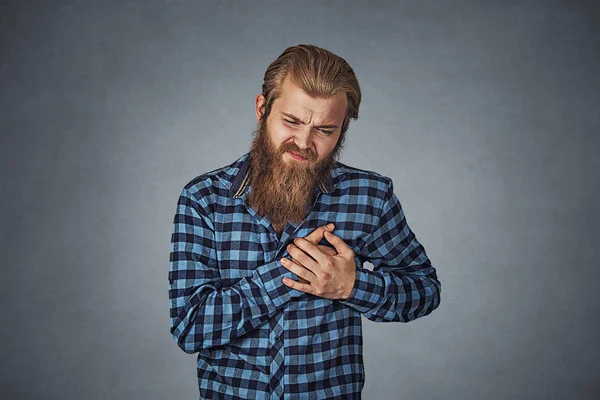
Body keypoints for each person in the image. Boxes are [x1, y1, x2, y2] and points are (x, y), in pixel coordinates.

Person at [168, 44, 441, 400]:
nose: (303, 142)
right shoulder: (203, 199)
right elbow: (191, 328)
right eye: (292, 121)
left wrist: (352, 286)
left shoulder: (370, 196)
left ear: (342, 131)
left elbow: (424, 290)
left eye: (325, 130)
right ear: (262, 109)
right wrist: (286, 276)